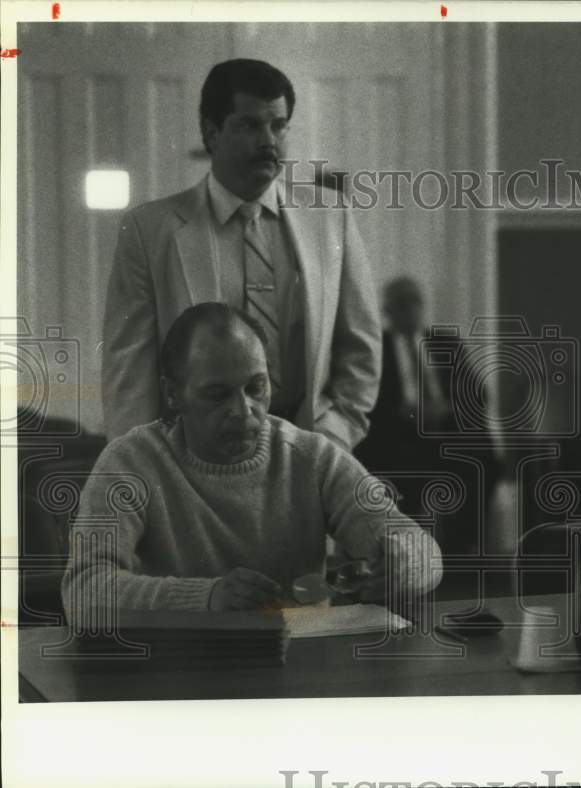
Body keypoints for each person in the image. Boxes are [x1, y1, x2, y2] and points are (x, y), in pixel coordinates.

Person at [62, 303, 441, 616]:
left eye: (255, 388)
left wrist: (404, 564)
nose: (243, 411)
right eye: (217, 394)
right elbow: (83, 590)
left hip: (301, 668)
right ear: (173, 394)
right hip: (177, 673)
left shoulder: (312, 457)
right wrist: (207, 598)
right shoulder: (131, 462)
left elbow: (420, 548)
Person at [102, 58, 380, 450]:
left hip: (307, 455)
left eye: (278, 125)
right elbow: (128, 371)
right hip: (192, 464)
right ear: (212, 133)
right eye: (249, 125)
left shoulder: (330, 219)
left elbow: (361, 348)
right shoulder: (152, 231)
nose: (269, 141)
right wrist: (147, 469)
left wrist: (331, 439)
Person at [354, 277, 500, 553]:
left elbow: (479, 394)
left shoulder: (446, 343)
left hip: (445, 431)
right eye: (401, 304)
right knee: (402, 470)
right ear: (387, 311)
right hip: (397, 436)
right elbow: (362, 400)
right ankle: (409, 549)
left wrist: (446, 407)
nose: (410, 310)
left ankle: (460, 547)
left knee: (483, 461)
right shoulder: (375, 349)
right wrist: (400, 412)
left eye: (415, 303)